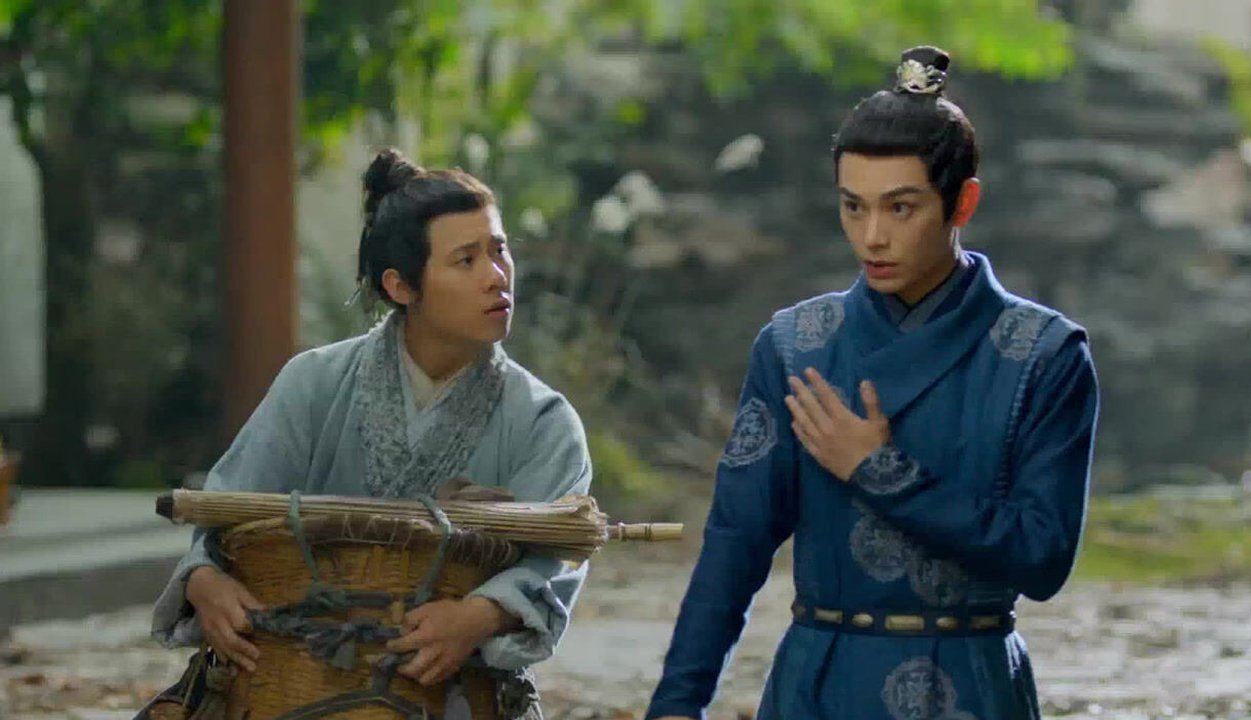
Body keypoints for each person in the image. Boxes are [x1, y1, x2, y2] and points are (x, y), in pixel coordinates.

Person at [646, 46, 1100, 720]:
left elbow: (1042, 559)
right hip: (819, 681)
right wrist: (678, 703)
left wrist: (878, 470)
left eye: (901, 208)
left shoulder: (1044, 355)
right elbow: (735, 545)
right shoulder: (796, 346)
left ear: (963, 202)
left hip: (970, 682)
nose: (872, 237)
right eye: (853, 207)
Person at [150, 149, 592, 720]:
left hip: (454, 685)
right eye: (466, 259)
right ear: (401, 286)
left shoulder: (544, 421)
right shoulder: (314, 383)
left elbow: (555, 558)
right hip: (296, 669)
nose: (497, 276)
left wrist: (480, 616)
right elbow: (228, 511)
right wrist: (205, 580)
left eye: (499, 250)